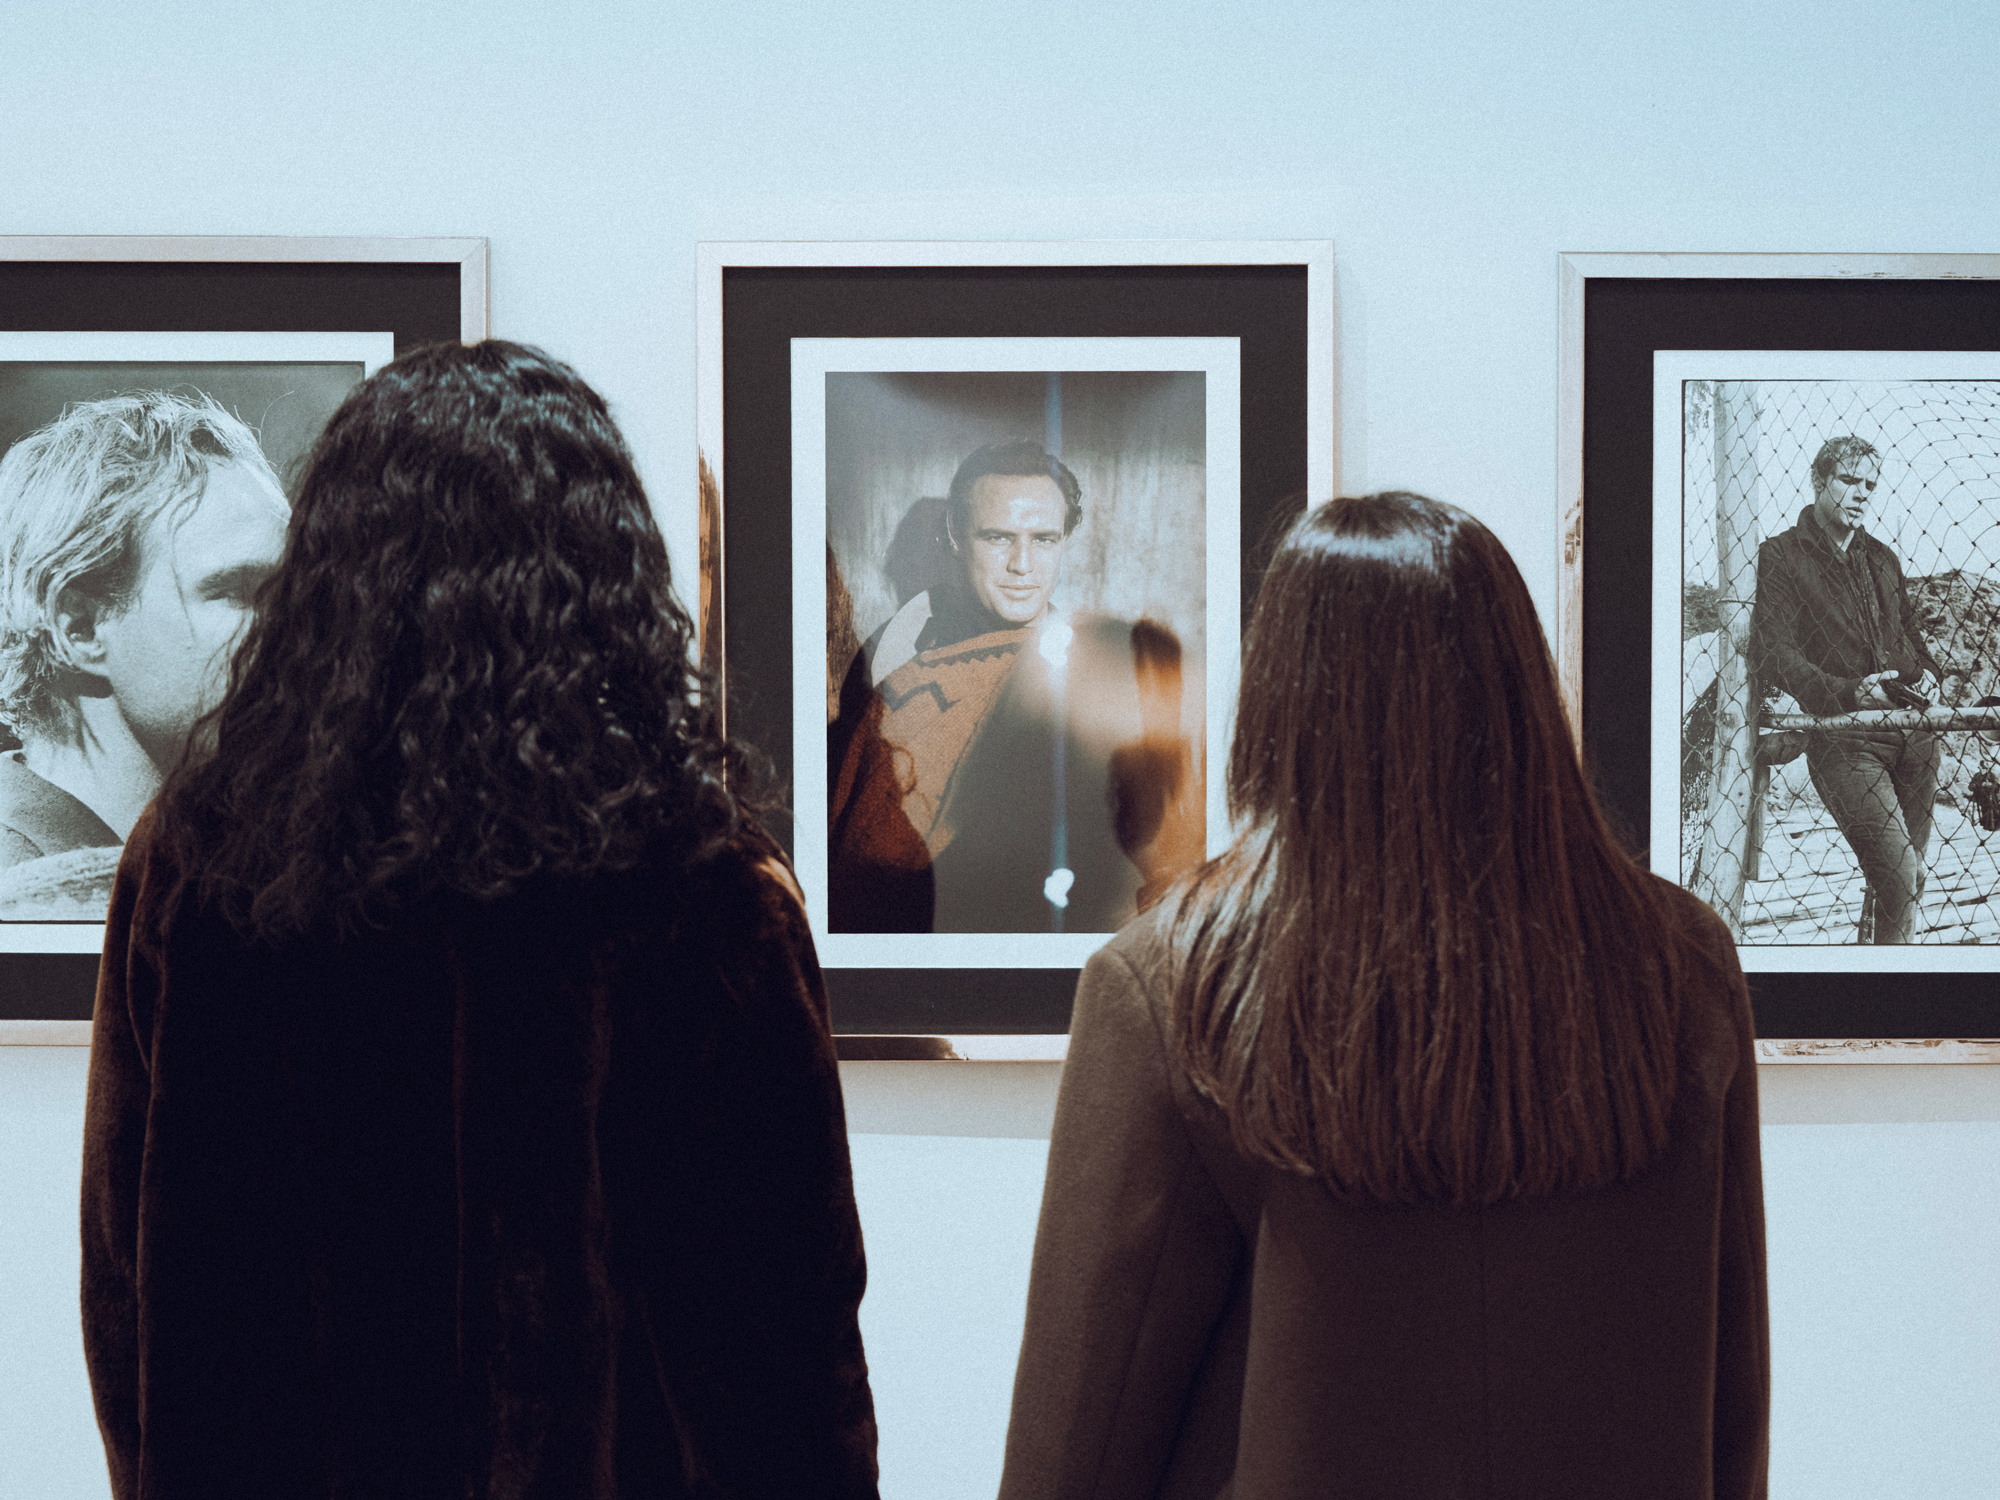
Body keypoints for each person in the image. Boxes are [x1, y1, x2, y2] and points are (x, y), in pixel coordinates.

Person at [80, 342, 879, 1498]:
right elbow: (787, 1335)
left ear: (332, 571)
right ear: (602, 576)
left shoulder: (202, 862)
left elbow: (128, 1283)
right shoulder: (698, 883)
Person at [1000, 494, 1768, 1499]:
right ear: (1516, 682)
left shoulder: (1174, 980)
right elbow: (1729, 1386)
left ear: (1281, 693)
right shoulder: (1678, 962)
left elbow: (1081, 1435)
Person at [833, 440, 1200, 933]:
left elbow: (1172, 850)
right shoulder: (896, 676)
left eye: (1044, 539)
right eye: (998, 538)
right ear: (956, 536)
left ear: (1066, 538)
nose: (1022, 565)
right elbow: (864, 872)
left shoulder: (1110, 666)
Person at [0, 392, 287, 918]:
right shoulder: (21, 897)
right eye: (239, 590)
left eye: (293, 593)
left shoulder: (229, 865)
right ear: (80, 628)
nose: (298, 631)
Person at [1749, 435, 1943, 943]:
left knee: (1908, 876)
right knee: (1901, 876)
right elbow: (1775, 652)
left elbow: (1914, 642)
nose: (1861, 493)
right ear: (1820, 481)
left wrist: (1930, 680)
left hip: (1916, 739)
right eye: (1849, 481)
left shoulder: (1883, 558)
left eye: (1870, 486)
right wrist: (1849, 692)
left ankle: (1871, 962)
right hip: (1845, 740)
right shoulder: (1781, 555)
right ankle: (1891, 988)